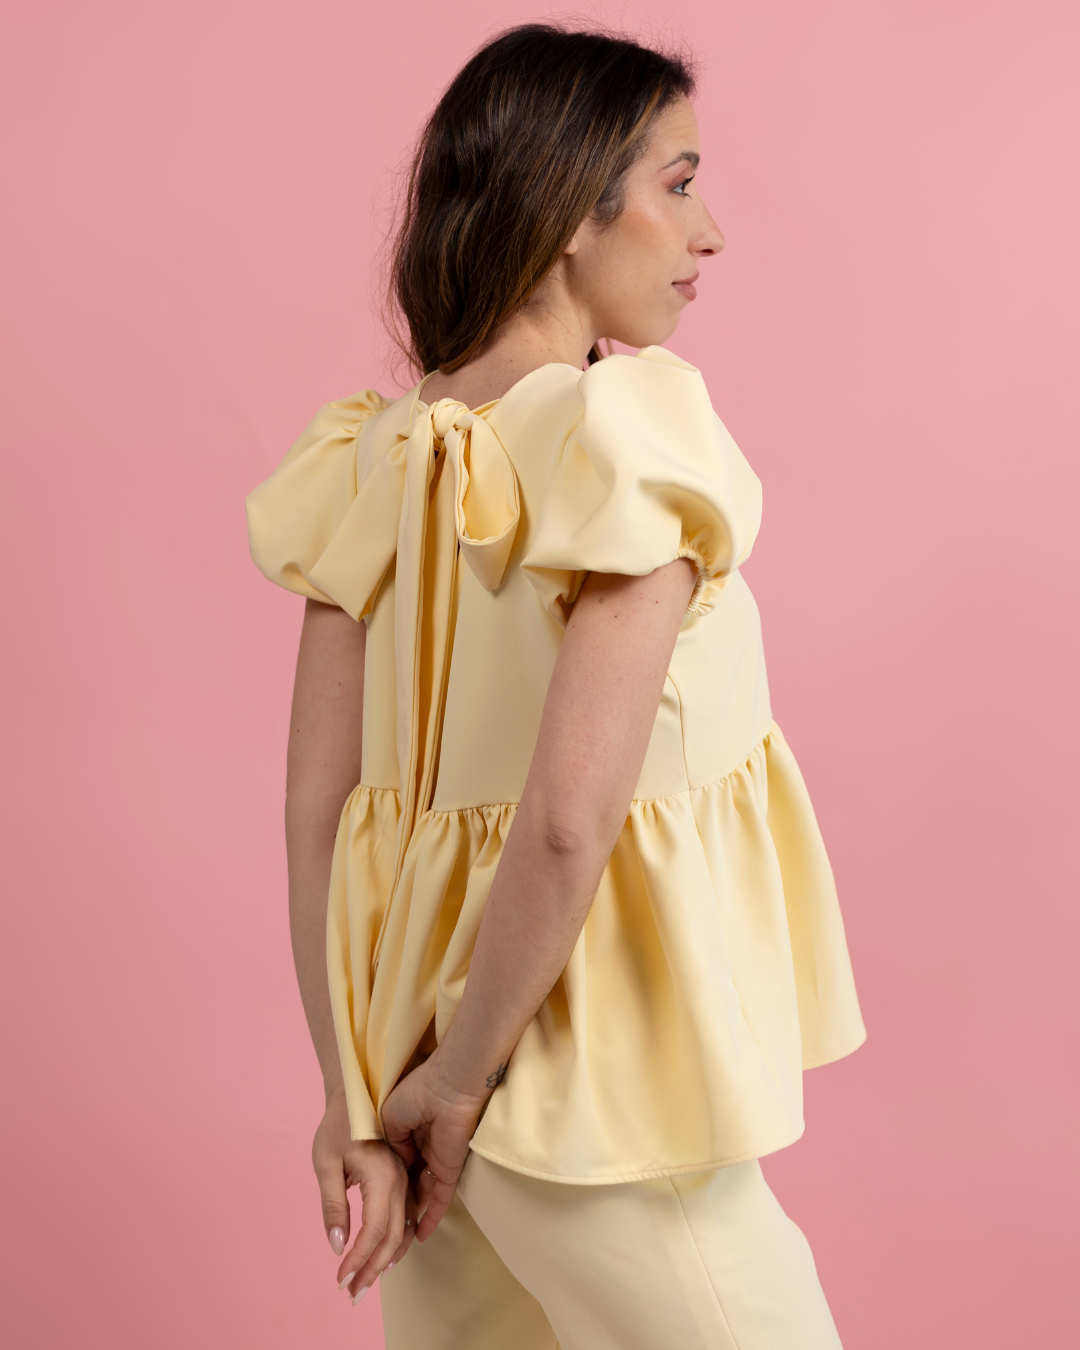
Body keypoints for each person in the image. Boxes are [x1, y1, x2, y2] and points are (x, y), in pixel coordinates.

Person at [246, 23, 866, 1350]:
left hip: (410, 1093)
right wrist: (465, 1081)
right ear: (572, 210)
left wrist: (356, 1099)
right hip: (585, 1101)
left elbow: (317, 815)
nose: (709, 233)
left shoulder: (363, 462)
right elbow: (569, 821)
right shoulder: (631, 439)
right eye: (678, 184)